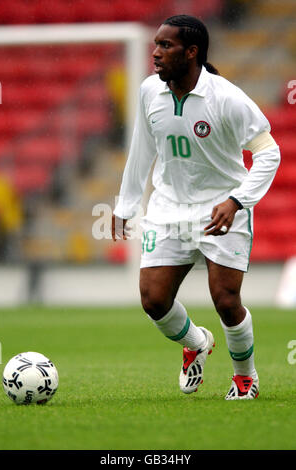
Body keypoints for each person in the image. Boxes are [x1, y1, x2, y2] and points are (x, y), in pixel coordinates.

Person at [111, 15, 280, 400]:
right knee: (153, 300)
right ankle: (197, 342)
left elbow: (269, 154)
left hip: (221, 205)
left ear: (192, 52)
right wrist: (126, 203)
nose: (155, 52)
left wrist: (237, 201)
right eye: (155, 44)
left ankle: (245, 378)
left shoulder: (227, 98)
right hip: (169, 206)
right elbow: (143, 148)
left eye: (165, 46)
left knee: (225, 300)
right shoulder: (149, 91)